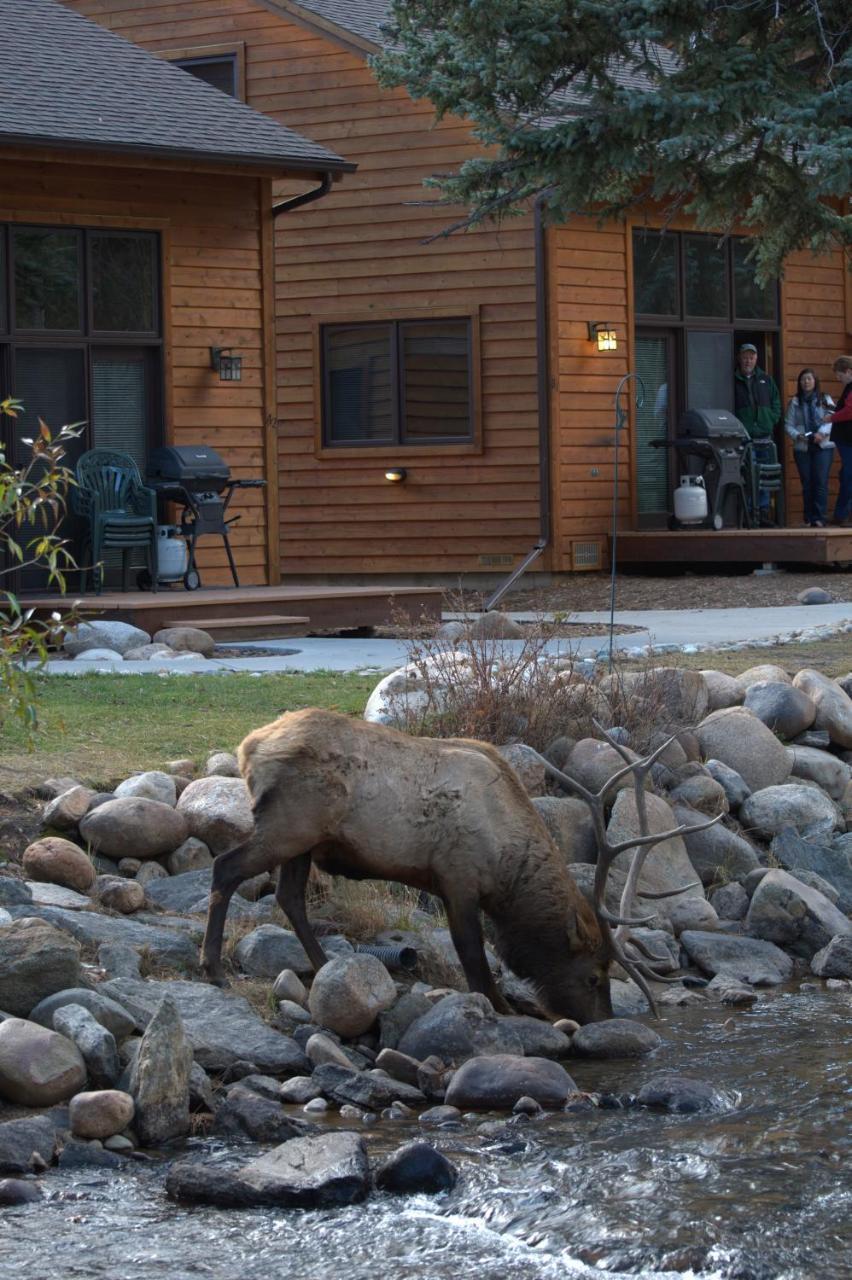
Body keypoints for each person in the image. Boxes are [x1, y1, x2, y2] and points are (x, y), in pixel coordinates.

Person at [733, 342, 781, 523]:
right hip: (745, 439)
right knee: (749, 476)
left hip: (765, 437)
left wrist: (771, 419)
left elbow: (776, 403)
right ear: (739, 358)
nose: (748, 360)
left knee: (765, 475)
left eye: (751, 357)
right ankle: (749, 513)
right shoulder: (733, 380)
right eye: (745, 357)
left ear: (756, 359)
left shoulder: (766, 380)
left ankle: (763, 512)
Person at [784, 368, 834, 527]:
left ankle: (819, 518)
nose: (806, 382)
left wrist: (822, 434)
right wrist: (797, 436)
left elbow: (833, 419)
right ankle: (808, 518)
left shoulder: (825, 399)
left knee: (820, 482)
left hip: (823, 446)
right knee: (807, 483)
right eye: (803, 379)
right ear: (799, 383)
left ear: (815, 381)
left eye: (809, 379)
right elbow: (788, 425)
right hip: (803, 447)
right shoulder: (794, 402)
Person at [824, 355, 852, 526]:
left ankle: (843, 514)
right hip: (847, 439)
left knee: (849, 476)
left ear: (848, 371)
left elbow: (850, 412)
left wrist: (831, 418)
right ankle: (842, 514)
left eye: (840, 375)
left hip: (848, 439)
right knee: (846, 475)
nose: (838, 379)